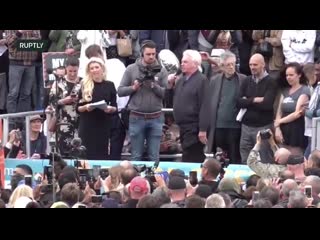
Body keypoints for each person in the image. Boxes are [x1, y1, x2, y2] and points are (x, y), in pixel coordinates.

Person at [118, 40, 167, 163]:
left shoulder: (162, 70)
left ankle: (154, 181)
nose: (151, 57)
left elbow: (166, 94)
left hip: (156, 117)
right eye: (148, 54)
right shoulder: (131, 69)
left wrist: (154, 86)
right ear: (142, 54)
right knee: (136, 156)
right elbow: (120, 91)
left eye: (153, 54)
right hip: (136, 117)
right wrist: (133, 88)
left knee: (154, 156)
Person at [207, 51, 246, 164]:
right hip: (218, 124)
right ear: (222, 66)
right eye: (228, 64)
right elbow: (210, 102)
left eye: (233, 64)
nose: (231, 67)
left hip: (235, 125)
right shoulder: (215, 80)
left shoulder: (242, 79)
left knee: (234, 156)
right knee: (219, 157)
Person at [171, 49, 210, 163]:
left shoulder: (202, 80)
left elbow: (205, 105)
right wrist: (169, 86)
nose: (182, 64)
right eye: (182, 61)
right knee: (188, 153)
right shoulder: (181, 80)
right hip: (183, 127)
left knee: (192, 154)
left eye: (185, 62)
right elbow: (172, 98)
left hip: (194, 127)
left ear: (195, 64)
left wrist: (203, 129)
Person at [77, 57, 117, 160]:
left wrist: (109, 109)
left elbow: (115, 107)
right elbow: (78, 108)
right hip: (87, 125)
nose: (94, 70)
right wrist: (86, 107)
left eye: (96, 67)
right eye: (92, 68)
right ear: (89, 71)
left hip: (103, 125)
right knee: (86, 154)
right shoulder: (84, 84)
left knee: (101, 154)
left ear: (102, 69)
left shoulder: (110, 85)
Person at [49, 57, 81, 157]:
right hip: (63, 122)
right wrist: (63, 101)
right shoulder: (58, 83)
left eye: (75, 71)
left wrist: (79, 101)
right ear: (66, 68)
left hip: (80, 121)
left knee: (79, 152)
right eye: (70, 71)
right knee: (63, 152)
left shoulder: (83, 82)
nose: (72, 73)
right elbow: (51, 101)